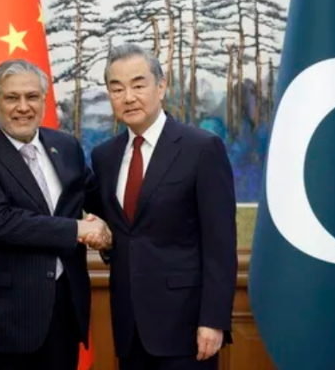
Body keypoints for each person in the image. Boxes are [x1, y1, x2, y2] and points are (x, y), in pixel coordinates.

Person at [0, 59, 110, 370]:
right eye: (12, 98)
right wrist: (77, 229)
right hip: (2, 319)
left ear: (44, 100)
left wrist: (108, 229)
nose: (23, 107)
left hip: (63, 311)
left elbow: (97, 201)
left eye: (32, 97)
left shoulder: (66, 146)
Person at [87, 44, 238, 370]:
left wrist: (213, 320)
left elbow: (220, 244)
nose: (128, 97)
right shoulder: (104, 157)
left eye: (138, 85)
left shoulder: (201, 149)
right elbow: (120, 233)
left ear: (161, 86)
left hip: (187, 328)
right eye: (117, 88)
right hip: (129, 327)